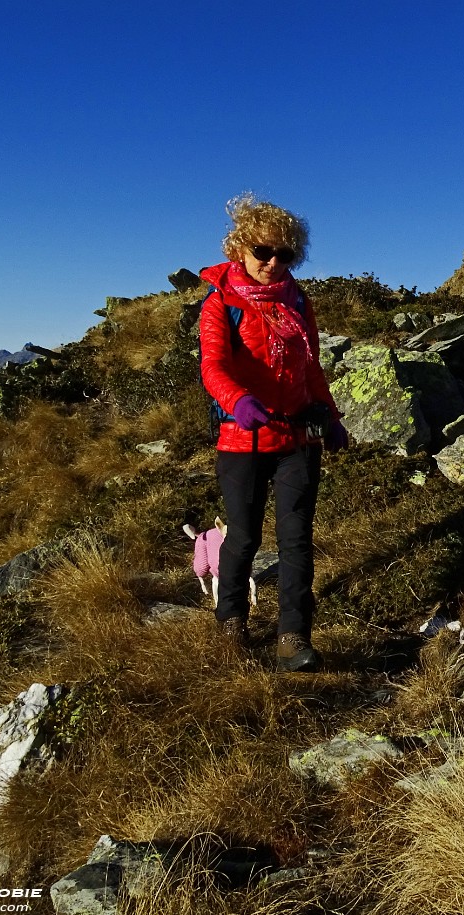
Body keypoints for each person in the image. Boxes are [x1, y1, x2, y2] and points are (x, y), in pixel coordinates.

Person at [198, 194, 348, 672]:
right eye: (262, 251)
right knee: (242, 537)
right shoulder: (220, 300)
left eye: (284, 254)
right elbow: (213, 366)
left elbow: (310, 367)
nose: (272, 262)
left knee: (296, 539)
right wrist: (238, 401)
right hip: (241, 441)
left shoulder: (298, 301)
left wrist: (330, 414)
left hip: (297, 438)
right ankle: (231, 624)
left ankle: (292, 639)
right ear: (239, 248)